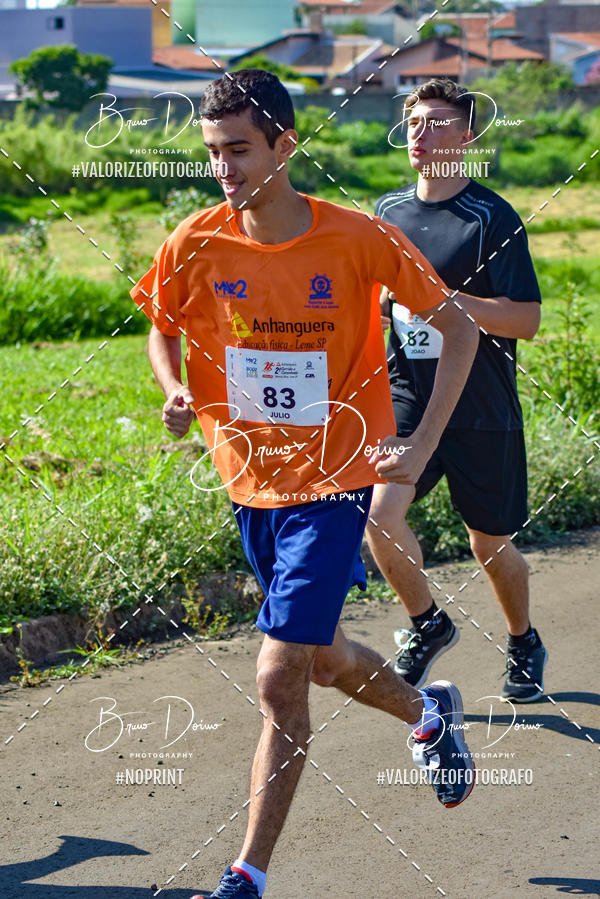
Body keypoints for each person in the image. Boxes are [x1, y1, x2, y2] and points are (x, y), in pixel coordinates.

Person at [131, 70, 480, 899]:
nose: (224, 168)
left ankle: (244, 873)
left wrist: (420, 441)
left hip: (335, 483)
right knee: (321, 659)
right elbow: (162, 330)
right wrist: (172, 389)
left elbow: (458, 330)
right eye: (214, 153)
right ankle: (430, 715)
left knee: (277, 672)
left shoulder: (357, 238)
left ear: (285, 145)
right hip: (250, 486)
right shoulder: (196, 240)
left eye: (239, 150)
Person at [366, 78, 547, 704]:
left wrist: (447, 305)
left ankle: (522, 639)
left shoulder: (491, 217)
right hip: (408, 396)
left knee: (488, 541)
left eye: (438, 122)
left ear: (467, 136)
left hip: (481, 402)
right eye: (413, 122)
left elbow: (526, 319)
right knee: (380, 516)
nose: (422, 133)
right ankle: (428, 624)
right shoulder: (387, 214)